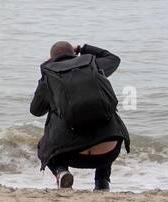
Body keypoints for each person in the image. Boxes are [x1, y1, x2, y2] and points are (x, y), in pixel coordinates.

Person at [30, 41, 130, 190]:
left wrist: (45, 75)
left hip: (72, 155)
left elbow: (36, 110)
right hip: (108, 151)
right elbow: (114, 58)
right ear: (73, 53)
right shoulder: (93, 65)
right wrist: (83, 49)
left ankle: (61, 171)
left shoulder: (49, 76)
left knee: (42, 144)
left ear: (51, 59)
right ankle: (102, 181)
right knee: (106, 120)